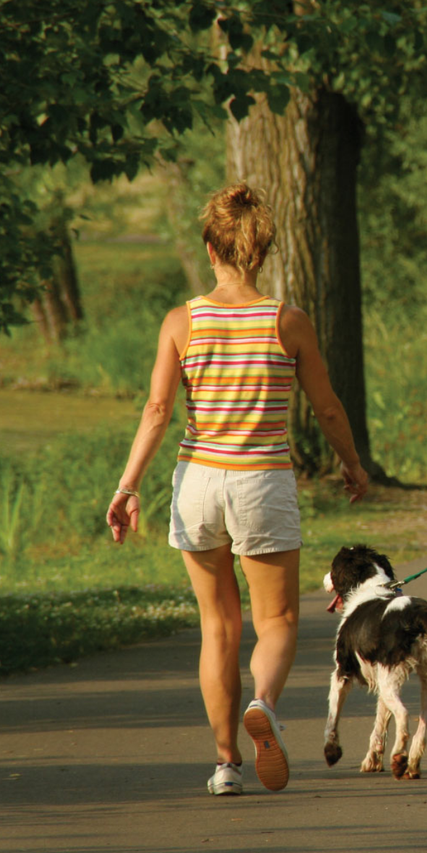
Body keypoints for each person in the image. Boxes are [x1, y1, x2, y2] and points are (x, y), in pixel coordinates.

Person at [106, 183, 369, 797]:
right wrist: (352, 466)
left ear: (209, 246)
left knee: (217, 625)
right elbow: (327, 409)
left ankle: (226, 764)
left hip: (197, 479)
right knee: (275, 618)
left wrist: (128, 485)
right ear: (264, 251)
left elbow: (155, 409)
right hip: (262, 481)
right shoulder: (288, 321)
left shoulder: (182, 321)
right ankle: (266, 705)